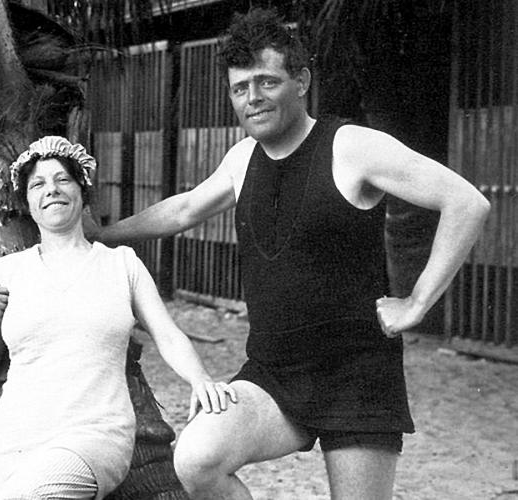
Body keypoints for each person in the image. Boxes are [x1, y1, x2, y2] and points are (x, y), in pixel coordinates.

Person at [88, 8, 491, 500]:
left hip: (356, 376)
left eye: (267, 82)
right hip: (273, 376)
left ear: (301, 81)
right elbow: (184, 209)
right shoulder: (241, 159)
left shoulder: (352, 146)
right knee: (196, 460)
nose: (253, 98)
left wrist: (417, 302)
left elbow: (466, 203)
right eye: (240, 88)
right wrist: (104, 235)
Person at [0, 136, 237, 500]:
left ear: (82, 189)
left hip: (96, 433)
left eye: (62, 179)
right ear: (27, 202)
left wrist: (200, 379)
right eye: (38, 185)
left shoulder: (121, 264)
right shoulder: (8, 271)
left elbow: (167, 335)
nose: (51, 190)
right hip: (17, 440)